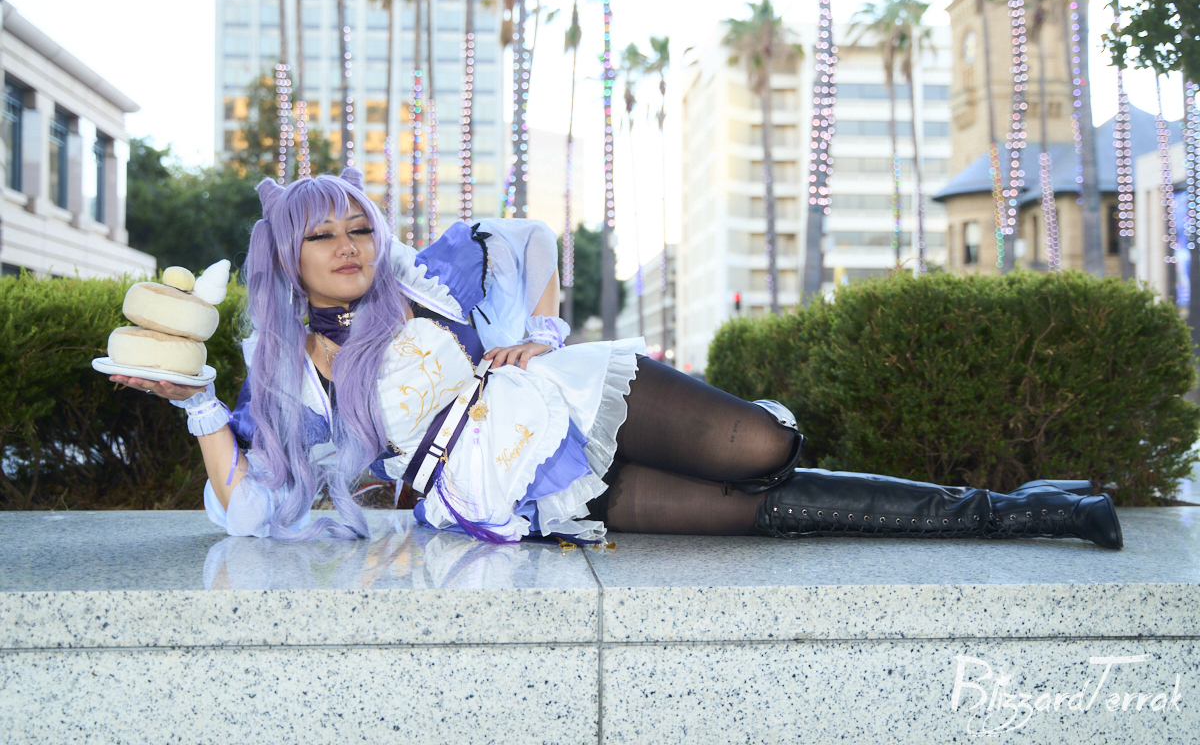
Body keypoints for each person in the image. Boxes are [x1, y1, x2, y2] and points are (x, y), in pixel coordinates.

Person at [109, 169, 1123, 549]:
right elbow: (251, 510)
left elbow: (530, 242)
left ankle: (766, 421)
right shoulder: (282, 377)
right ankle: (1032, 514)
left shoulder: (422, 282)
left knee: (763, 447)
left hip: (557, 397)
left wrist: (539, 333)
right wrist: (198, 405)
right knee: (759, 511)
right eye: (321, 235)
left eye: (357, 226)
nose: (347, 246)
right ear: (285, 257)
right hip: (507, 490)